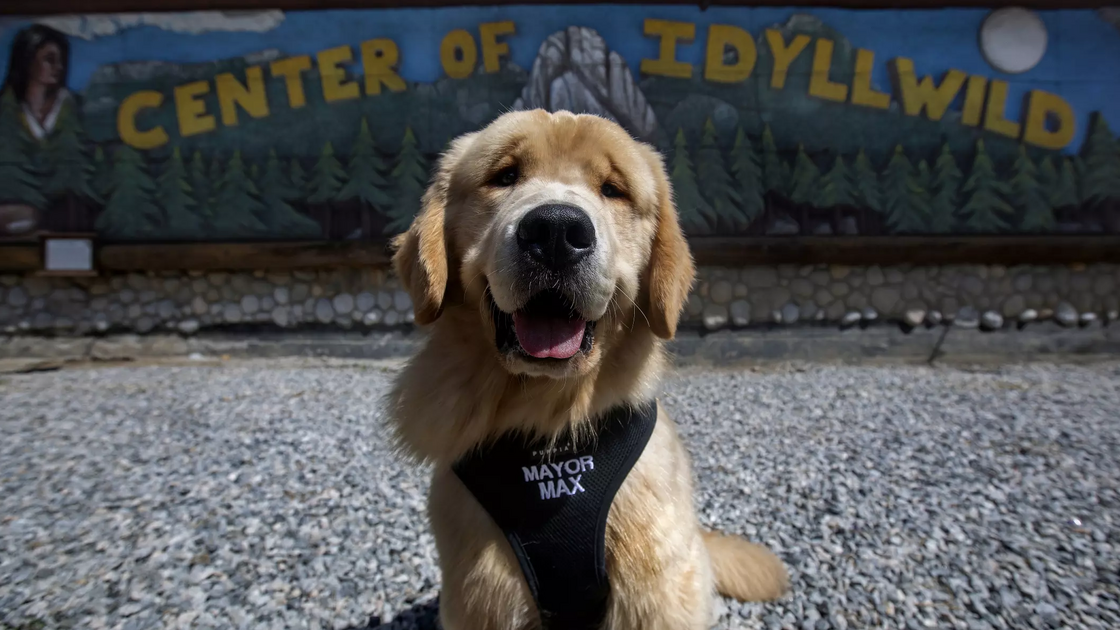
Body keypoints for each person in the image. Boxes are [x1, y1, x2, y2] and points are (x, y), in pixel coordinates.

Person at [2, 24, 72, 141]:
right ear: (28, 60)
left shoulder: (73, 108)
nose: (59, 67)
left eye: (62, 60)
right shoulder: (6, 108)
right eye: (50, 59)